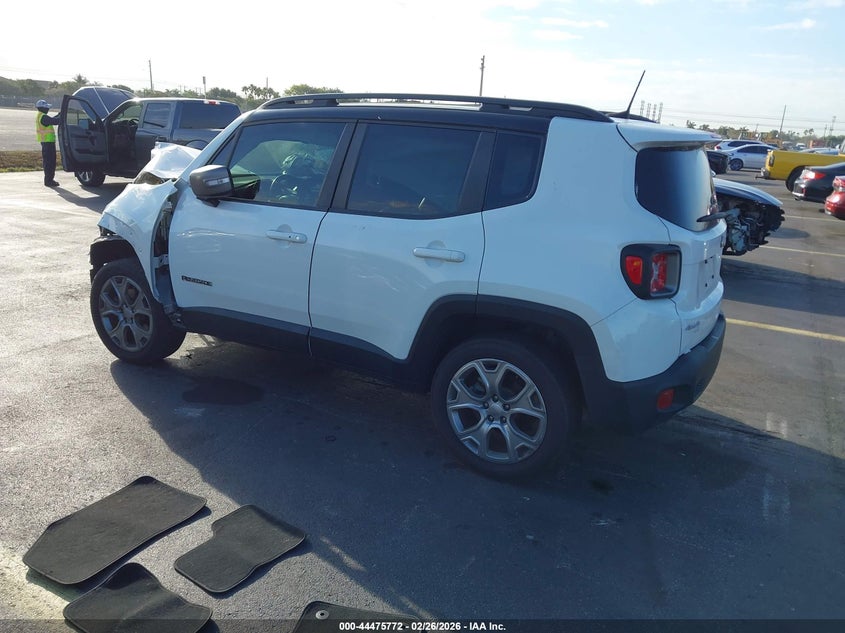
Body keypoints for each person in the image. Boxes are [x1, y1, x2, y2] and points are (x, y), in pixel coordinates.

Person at [35, 99, 61, 187]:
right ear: (42, 108)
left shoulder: (41, 115)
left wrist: (60, 114)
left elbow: (52, 119)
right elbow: (55, 121)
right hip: (47, 142)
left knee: (48, 162)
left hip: (46, 142)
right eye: (46, 108)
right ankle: (49, 181)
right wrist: (63, 116)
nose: (48, 109)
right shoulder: (43, 117)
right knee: (50, 162)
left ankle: (49, 180)